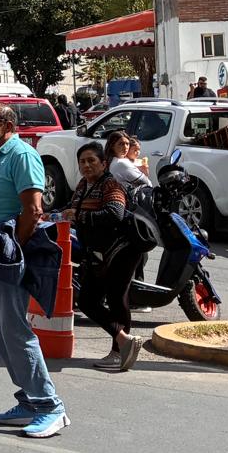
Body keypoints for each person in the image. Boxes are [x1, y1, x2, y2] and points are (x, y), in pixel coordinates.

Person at [0, 102, 69, 438]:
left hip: (11, 256)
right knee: (3, 334)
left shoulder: (21, 155)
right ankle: (29, 399)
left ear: (8, 124)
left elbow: (33, 210)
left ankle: (50, 405)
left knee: (16, 332)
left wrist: (14, 249)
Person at [61, 142, 144, 371]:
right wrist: (54, 214)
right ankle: (124, 341)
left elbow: (115, 213)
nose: (87, 165)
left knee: (117, 299)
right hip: (98, 253)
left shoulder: (110, 184)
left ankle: (119, 353)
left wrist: (79, 216)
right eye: (82, 161)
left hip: (122, 250)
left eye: (92, 160)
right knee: (87, 301)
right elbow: (72, 207)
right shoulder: (83, 185)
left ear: (103, 164)